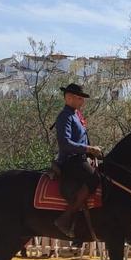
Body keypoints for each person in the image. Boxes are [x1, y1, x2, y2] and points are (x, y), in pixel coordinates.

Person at [53, 82, 104, 239]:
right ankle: (67, 216)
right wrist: (89, 149)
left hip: (81, 158)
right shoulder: (64, 116)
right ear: (68, 98)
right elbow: (65, 143)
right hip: (70, 160)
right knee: (95, 178)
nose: (83, 101)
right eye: (79, 98)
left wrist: (93, 153)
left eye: (83, 98)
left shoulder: (76, 115)